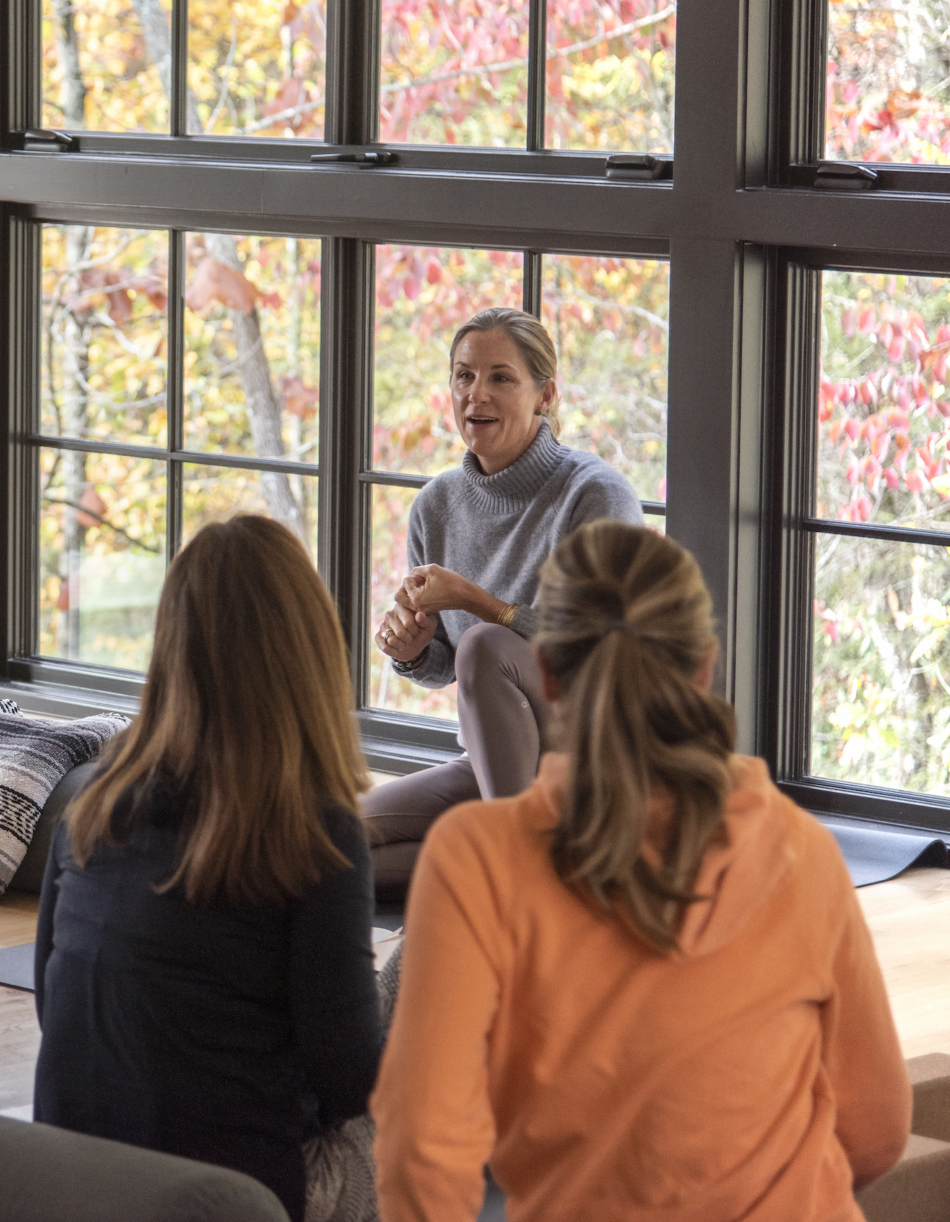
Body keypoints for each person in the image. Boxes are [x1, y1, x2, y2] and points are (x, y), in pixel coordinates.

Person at [372, 521, 910, 1222]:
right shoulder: (802, 851)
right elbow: (876, 1130)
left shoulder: (475, 858)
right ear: (705, 669)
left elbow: (422, 1155)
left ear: (548, 677)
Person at [33, 515, 381, 1222]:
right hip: (232, 1202)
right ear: (310, 651)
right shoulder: (317, 836)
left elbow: (51, 1001)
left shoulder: (92, 804)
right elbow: (354, 1087)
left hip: (72, 1181)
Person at [363, 307, 641, 896]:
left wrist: (473, 599)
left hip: (593, 759)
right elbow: (447, 665)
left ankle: (523, 870)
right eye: (463, 376)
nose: (476, 394)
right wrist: (412, 652)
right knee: (335, 841)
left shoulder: (596, 494)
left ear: (545, 395)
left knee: (489, 645)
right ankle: (527, 869)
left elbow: (596, 646)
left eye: (500, 378)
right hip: (500, 763)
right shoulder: (436, 505)